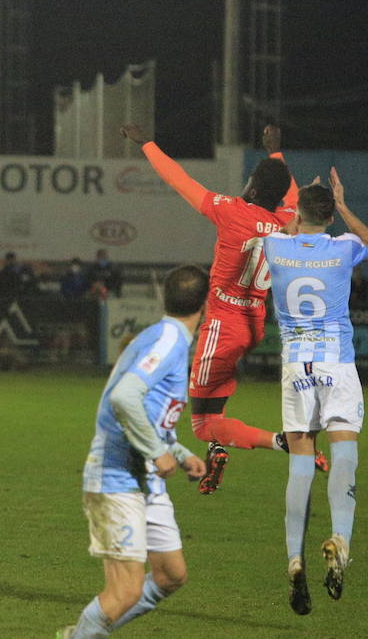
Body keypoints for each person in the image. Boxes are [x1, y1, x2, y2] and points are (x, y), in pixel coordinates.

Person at [122, 122, 302, 494]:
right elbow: (293, 198)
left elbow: (180, 181)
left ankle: (282, 442)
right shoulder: (288, 222)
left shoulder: (232, 211)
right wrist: (276, 153)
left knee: (201, 423)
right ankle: (218, 448)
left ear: (252, 185)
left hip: (223, 324)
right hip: (254, 324)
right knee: (212, 416)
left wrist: (148, 145)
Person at [56, 265, 210, 639]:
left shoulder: (163, 337)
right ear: (206, 305)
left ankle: (84, 634)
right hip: (116, 474)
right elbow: (125, 398)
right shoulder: (169, 342)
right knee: (125, 591)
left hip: (143, 478)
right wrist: (159, 451)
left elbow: (148, 414)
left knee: (170, 575)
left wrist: (179, 451)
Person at [263, 169, 368, 614]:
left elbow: (290, 228)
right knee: (345, 454)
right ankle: (341, 542)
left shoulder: (276, 245)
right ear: (330, 217)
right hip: (337, 362)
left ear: (297, 213)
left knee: (299, 467)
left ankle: (295, 560)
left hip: (297, 365)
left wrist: (299, 211)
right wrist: (343, 204)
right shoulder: (342, 247)